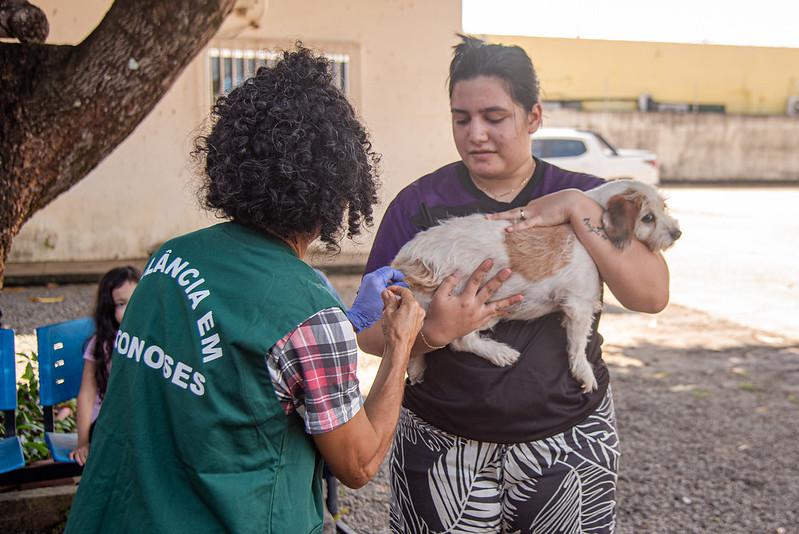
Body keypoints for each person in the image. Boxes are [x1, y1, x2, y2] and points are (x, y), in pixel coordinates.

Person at [65, 46, 425, 534]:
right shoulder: (308, 315)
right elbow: (359, 465)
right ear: (338, 190)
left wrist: (343, 324)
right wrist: (400, 345)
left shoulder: (169, 259)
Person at [358, 35, 670, 533]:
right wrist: (433, 332)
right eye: (462, 118)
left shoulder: (587, 197)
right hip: (442, 442)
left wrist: (572, 207)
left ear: (534, 117)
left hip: (567, 437)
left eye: (494, 117)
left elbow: (651, 295)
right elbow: (369, 333)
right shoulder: (418, 206)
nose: (476, 133)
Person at [69, 266, 140, 466]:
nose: (131, 309)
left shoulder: (154, 342)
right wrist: (83, 442)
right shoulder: (103, 345)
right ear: (109, 309)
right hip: (106, 424)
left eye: (136, 301)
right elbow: (87, 394)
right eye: (121, 303)